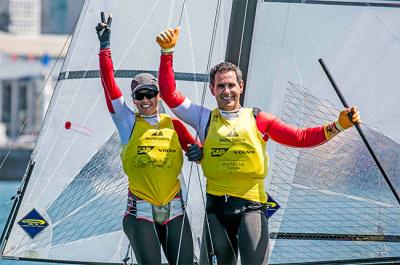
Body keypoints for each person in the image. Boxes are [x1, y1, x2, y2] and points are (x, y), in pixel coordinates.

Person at [156, 27, 361, 265]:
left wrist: (338, 125)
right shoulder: (204, 118)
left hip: (251, 208)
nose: (227, 91)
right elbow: (170, 95)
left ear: (241, 87)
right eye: (221, 86)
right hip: (216, 210)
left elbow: (300, 137)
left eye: (231, 85)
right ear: (212, 89)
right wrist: (167, 52)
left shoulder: (257, 119)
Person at [96, 14, 200, 264]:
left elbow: (201, 150)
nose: (145, 100)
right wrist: (104, 47)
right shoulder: (127, 122)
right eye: (139, 96)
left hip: (175, 211)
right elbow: (109, 87)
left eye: (150, 94)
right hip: (139, 214)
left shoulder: (173, 124)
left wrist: (199, 152)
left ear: (159, 96)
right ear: (134, 100)